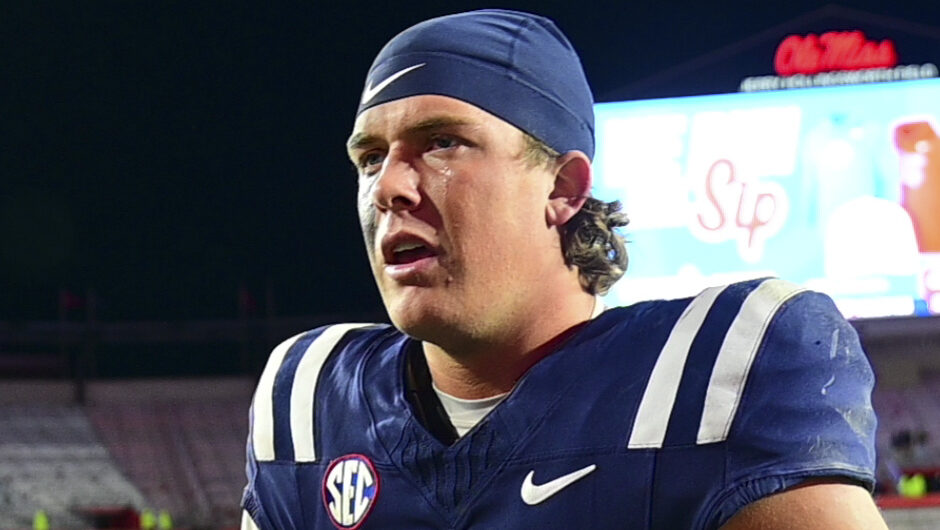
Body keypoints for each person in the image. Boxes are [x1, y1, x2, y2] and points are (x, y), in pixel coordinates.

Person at [241, 9, 886, 529]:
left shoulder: (721, 372)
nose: (389, 187)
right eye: (370, 157)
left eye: (442, 142)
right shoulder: (310, 403)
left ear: (564, 188)